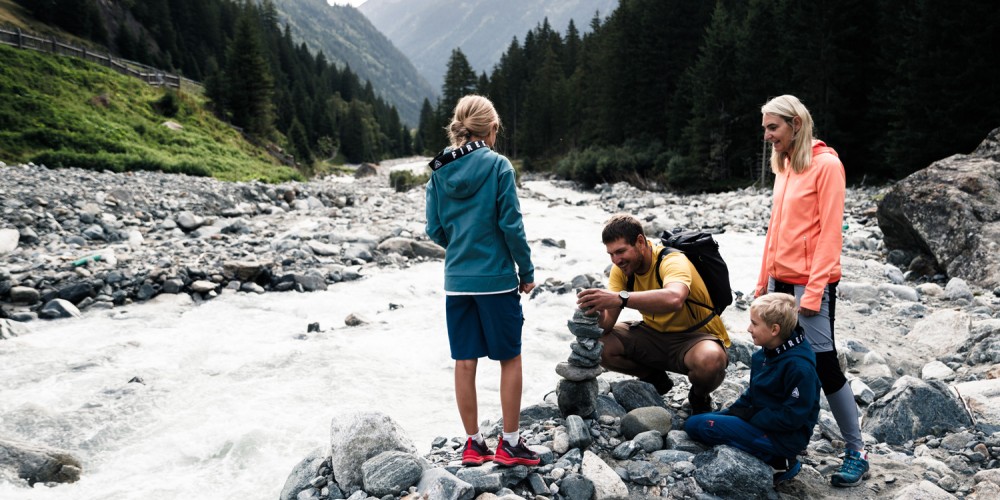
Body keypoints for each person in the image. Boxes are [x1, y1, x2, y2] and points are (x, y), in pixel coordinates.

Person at [756, 94, 869, 487]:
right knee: (775, 358)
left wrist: (816, 290)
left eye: (774, 127)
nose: (768, 134)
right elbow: (775, 229)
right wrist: (762, 280)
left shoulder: (827, 166)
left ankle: (856, 450)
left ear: (796, 126)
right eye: (766, 126)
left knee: (822, 363)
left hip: (810, 281)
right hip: (779, 279)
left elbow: (830, 234)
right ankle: (779, 445)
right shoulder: (784, 166)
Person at [424, 94, 539, 467]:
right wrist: (527, 271)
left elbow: (434, 228)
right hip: (496, 281)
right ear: (492, 129)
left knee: (464, 361)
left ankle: (473, 444)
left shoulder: (439, 169)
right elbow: (512, 226)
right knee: (510, 357)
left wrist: (459, 247)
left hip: (457, 281)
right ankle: (510, 443)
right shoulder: (498, 166)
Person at [576, 214, 730, 414]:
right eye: (611, 254)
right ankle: (656, 379)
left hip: (696, 337)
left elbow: (675, 298)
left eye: (621, 251)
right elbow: (607, 324)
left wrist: (619, 298)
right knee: (599, 346)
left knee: (710, 360)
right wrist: (591, 314)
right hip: (654, 333)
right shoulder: (621, 270)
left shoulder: (672, 260)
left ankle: (698, 395)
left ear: (640, 241)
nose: (616, 260)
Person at [685, 293, 820, 486]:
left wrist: (751, 417)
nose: (749, 329)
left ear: (775, 329)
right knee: (698, 422)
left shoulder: (799, 367)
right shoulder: (765, 353)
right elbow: (753, 393)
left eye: (754, 324)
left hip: (784, 437)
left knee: (699, 426)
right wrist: (731, 413)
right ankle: (762, 447)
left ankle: (780, 462)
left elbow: (793, 417)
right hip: (763, 420)